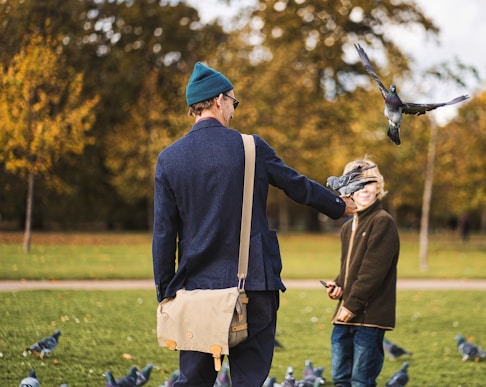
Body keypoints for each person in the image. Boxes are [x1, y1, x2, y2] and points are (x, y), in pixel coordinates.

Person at [152, 61, 356, 387]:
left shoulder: (169, 158)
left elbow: (163, 234)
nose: (234, 109)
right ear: (219, 99)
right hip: (254, 289)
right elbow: (296, 185)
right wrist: (339, 205)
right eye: (233, 101)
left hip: (196, 293)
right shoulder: (250, 147)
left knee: (193, 383)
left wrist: (166, 293)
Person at [323, 157, 400, 387]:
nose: (363, 189)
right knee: (339, 378)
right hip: (345, 314)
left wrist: (351, 305)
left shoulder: (382, 222)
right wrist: (338, 285)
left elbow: (372, 273)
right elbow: (350, 268)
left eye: (369, 183)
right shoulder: (348, 226)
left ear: (379, 188)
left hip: (369, 317)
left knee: (360, 381)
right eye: (357, 184)